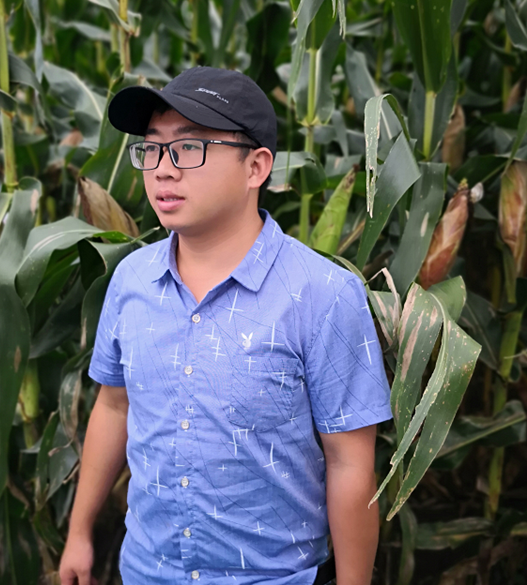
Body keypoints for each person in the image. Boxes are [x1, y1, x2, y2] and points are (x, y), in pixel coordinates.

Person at [59, 66, 393, 585]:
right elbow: (114, 405)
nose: (163, 170)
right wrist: (79, 532)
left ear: (256, 166)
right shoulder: (131, 280)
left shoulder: (323, 294)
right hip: (146, 571)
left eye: (188, 148)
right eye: (152, 149)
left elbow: (349, 463)